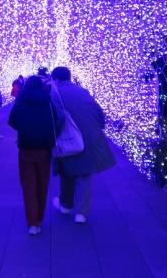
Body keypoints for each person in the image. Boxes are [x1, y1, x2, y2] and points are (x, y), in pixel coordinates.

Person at [50, 66, 115, 224]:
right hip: (87, 139)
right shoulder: (83, 91)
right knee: (84, 175)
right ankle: (82, 213)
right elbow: (99, 113)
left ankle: (66, 206)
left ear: (55, 79)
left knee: (67, 172)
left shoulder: (54, 93)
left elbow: (55, 119)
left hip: (68, 138)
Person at [8, 75, 64, 234]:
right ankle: (39, 217)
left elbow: (12, 121)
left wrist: (25, 127)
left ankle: (32, 222)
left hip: (26, 147)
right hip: (45, 147)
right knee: (43, 182)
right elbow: (56, 120)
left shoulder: (21, 100)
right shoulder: (48, 101)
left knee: (28, 184)